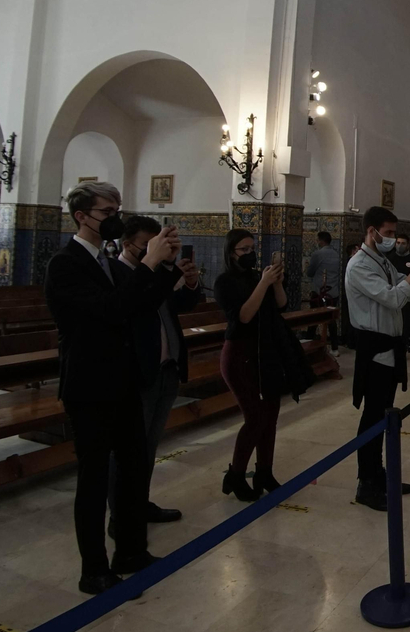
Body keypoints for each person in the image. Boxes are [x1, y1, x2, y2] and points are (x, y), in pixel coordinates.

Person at [45, 181, 180, 595]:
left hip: (121, 380)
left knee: (134, 468)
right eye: (107, 212)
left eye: (118, 209)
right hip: (90, 385)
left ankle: (131, 551)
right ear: (82, 216)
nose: (115, 218)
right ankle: (94, 568)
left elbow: (138, 305)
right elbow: (109, 310)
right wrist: (146, 265)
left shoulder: (105, 262)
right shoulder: (66, 264)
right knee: (94, 479)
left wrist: (164, 264)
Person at [108, 215, 202, 529]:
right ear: (127, 244)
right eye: (149, 246)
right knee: (127, 450)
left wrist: (188, 282)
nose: (158, 252)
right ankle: (121, 512)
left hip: (166, 369)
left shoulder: (156, 273)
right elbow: (134, 308)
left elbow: (175, 305)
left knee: (149, 446)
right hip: (140, 372)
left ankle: (140, 502)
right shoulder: (116, 273)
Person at [345, 206, 410, 510]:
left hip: (390, 347)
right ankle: (366, 483)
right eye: (389, 233)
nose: (393, 239)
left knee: (384, 414)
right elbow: (394, 297)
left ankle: (379, 474)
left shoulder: (381, 261)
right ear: (371, 232)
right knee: (373, 415)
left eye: (395, 233)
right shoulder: (359, 266)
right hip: (374, 349)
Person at [215, 229, 313, 501]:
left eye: (251, 248)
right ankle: (235, 474)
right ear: (231, 252)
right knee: (255, 416)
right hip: (240, 355)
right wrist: (263, 284)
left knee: (270, 415)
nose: (250, 254)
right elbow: (244, 316)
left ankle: (264, 471)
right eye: (243, 250)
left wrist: (276, 282)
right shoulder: (225, 282)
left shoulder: (258, 276)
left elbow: (281, 305)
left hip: (265, 352)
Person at [305, 231, 342, 352]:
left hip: (319, 292)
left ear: (321, 240)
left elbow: (310, 272)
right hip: (333, 293)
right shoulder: (337, 254)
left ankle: (308, 345)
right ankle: (335, 348)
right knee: (331, 320)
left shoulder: (318, 254)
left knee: (313, 319)